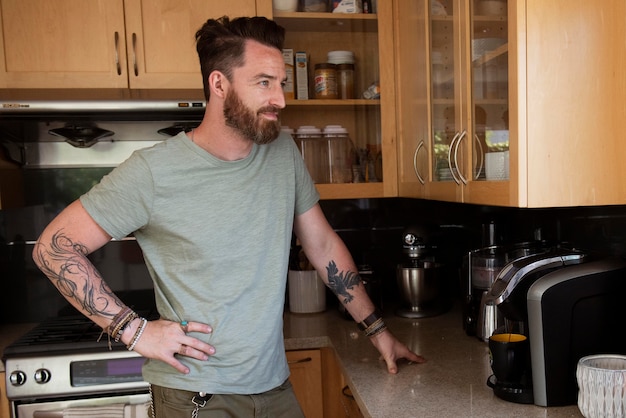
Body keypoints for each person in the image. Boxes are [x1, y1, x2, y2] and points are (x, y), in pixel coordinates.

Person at [32, 15, 424, 417]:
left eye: (281, 83)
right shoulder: (152, 172)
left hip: (274, 386)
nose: (281, 99)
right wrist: (135, 331)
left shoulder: (282, 154)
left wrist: (378, 331)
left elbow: (321, 244)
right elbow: (53, 249)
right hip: (196, 394)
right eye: (263, 82)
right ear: (219, 84)